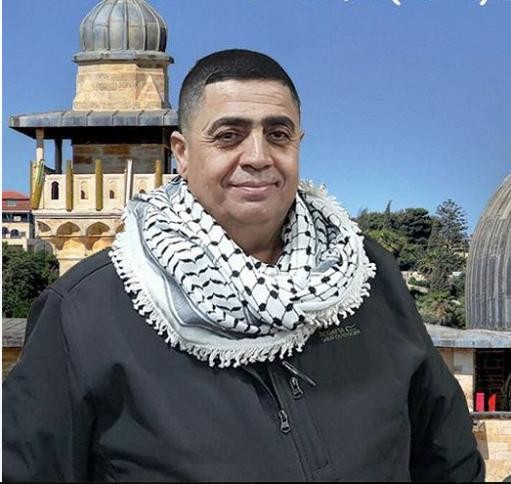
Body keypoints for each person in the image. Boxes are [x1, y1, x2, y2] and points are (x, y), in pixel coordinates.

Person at [3, 49, 484, 482]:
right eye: (228, 135)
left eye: (278, 134)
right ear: (181, 153)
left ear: (299, 143)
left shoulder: (366, 274)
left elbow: (446, 454)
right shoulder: (86, 310)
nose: (257, 157)